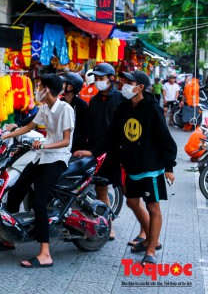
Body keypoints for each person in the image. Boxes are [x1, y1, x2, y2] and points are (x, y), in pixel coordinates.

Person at [94, 71, 177, 266]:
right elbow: (111, 135)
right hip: (130, 166)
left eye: (129, 82)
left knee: (153, 207)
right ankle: (150, 238)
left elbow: (166, 140)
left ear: (140, 87)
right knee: (132, 202)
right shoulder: (123, 108)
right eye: (124, 82)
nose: (124, 85)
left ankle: (150, 250)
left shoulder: (152, 109)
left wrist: (169, 167)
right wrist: (93, 152)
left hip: (151, 167)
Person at [0, 74, 74, 268]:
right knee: (16, 191)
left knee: (38, 201)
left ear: (47, 89)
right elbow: (28, 126)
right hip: (41, 156)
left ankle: (45, 253)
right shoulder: (45, 108)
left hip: (57, 158)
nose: (37, 88)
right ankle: (8, 238)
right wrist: (4, 136)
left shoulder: (65, 109)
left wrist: (44, 146)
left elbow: (65, 141)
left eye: (39, 86)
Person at [73, 63, 131, 242]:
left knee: (130, 193)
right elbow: (90, 127)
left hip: (118, 152)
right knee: (101, 190)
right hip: (98, 152)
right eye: (96, 79)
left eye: (101, 78)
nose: (98, 82)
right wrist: (88, 149)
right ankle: (109, 226)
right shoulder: (95, 101)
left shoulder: (121, 99)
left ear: (111, 79)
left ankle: (145, 231)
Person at [60, 72, 88, 152]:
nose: (60, 85)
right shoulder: (61, 102)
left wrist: (71, 142)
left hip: (76, 148)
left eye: (63, 83)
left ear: (70, 87)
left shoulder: (81, 105)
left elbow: (83, 129)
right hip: (62, 145)